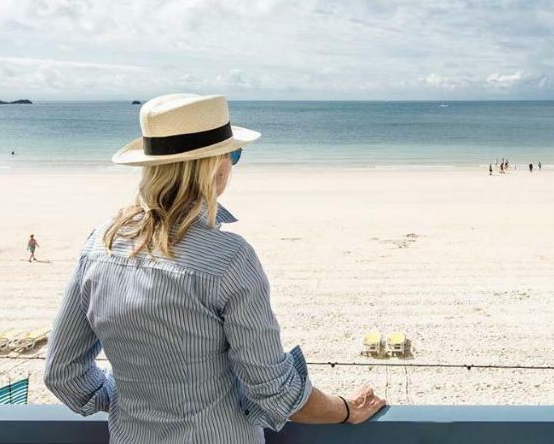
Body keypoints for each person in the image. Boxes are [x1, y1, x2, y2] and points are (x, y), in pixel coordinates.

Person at [45, 94, 386, 443]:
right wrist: (346, 408)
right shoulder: (229, 258)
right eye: (233, 154)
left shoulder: (101, 244)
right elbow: (275, 391)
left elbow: (63, 375)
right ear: (215, 165)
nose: (232, 165)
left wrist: (134, 401)